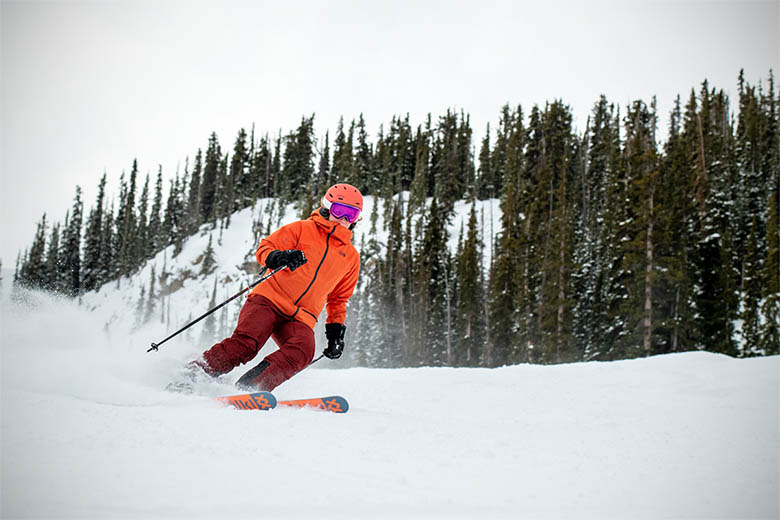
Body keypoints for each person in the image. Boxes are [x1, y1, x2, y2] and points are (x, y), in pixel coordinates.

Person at [183, 183, 362, 392]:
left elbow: (338, 300)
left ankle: (251, 388)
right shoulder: (301, 229)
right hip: (268, 299)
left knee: (302, 351)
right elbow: (265, 248)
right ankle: (194, 373)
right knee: (247, 344)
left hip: (301, 317)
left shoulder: (351, 258)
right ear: (327, 207)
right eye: (339, 211)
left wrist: (335, 333)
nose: (343, 219)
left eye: (351, 214)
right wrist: (280, 256)